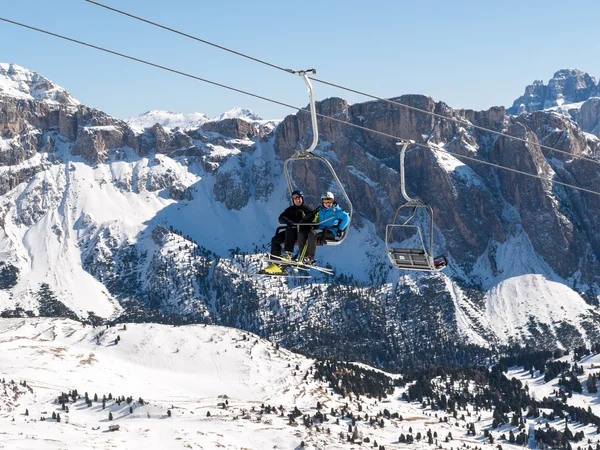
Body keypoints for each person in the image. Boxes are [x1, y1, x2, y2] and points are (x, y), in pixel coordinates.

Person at [262, 189, 316, 274]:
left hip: (301, 233)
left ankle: (288, 254)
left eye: (299, 198)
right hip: (290, 232)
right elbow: (281, 218)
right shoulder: (290, 209)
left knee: (290, 229)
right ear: (293, 200)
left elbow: (314, 220)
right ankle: (276, 264)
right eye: (295, 199)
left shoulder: (307, 210)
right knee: (275, 240)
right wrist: (288, 221)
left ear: (302, 198)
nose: (297, 200)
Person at [297, 191, 350, 265]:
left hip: (330, 231)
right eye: (325, 201)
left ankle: (309, 258)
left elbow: (346, 218)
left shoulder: (336, 210)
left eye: (329, 201)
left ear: (332, 201)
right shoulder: (320, 210)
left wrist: (340, 229)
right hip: (319, 230)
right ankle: (303, 257)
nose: (327, 203)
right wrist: (313, 224)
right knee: (301, 233)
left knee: (312, 234)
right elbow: (316, 219)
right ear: (322, 201)